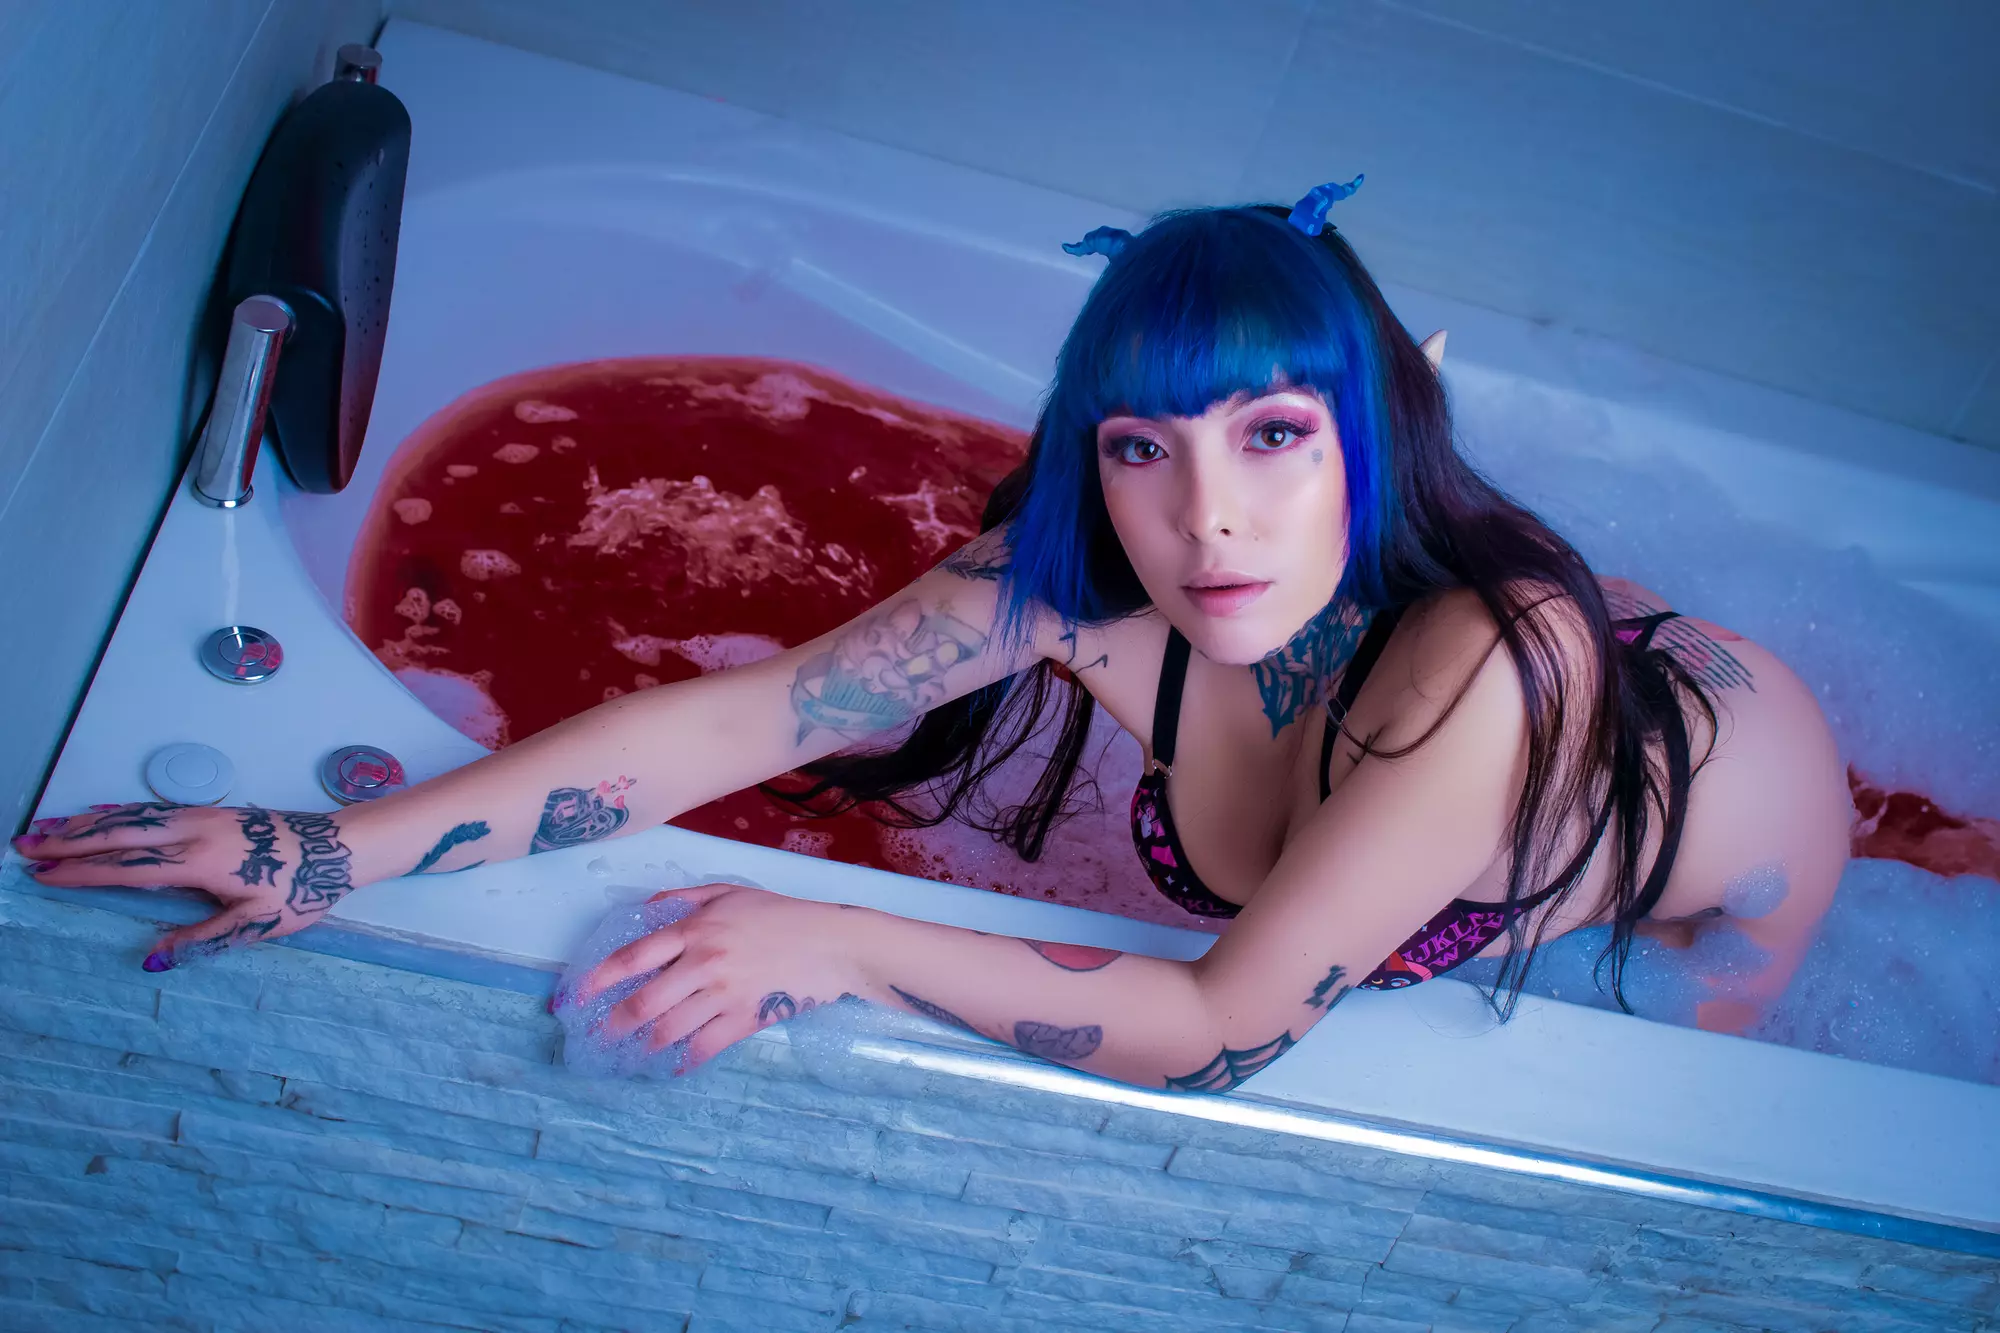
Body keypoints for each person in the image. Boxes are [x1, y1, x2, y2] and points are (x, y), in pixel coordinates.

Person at [13, 180, 1851, 1092]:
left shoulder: (1481, 667)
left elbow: (1221, 1031)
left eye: (1276, 436)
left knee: (1676, 1076)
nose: (1205, 520)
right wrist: (336, 849)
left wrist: (834, 940)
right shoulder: (1100, 581)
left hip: (1739, 850)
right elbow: (742, 723)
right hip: (1526, 731)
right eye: (1144, 448)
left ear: (1372, 430)